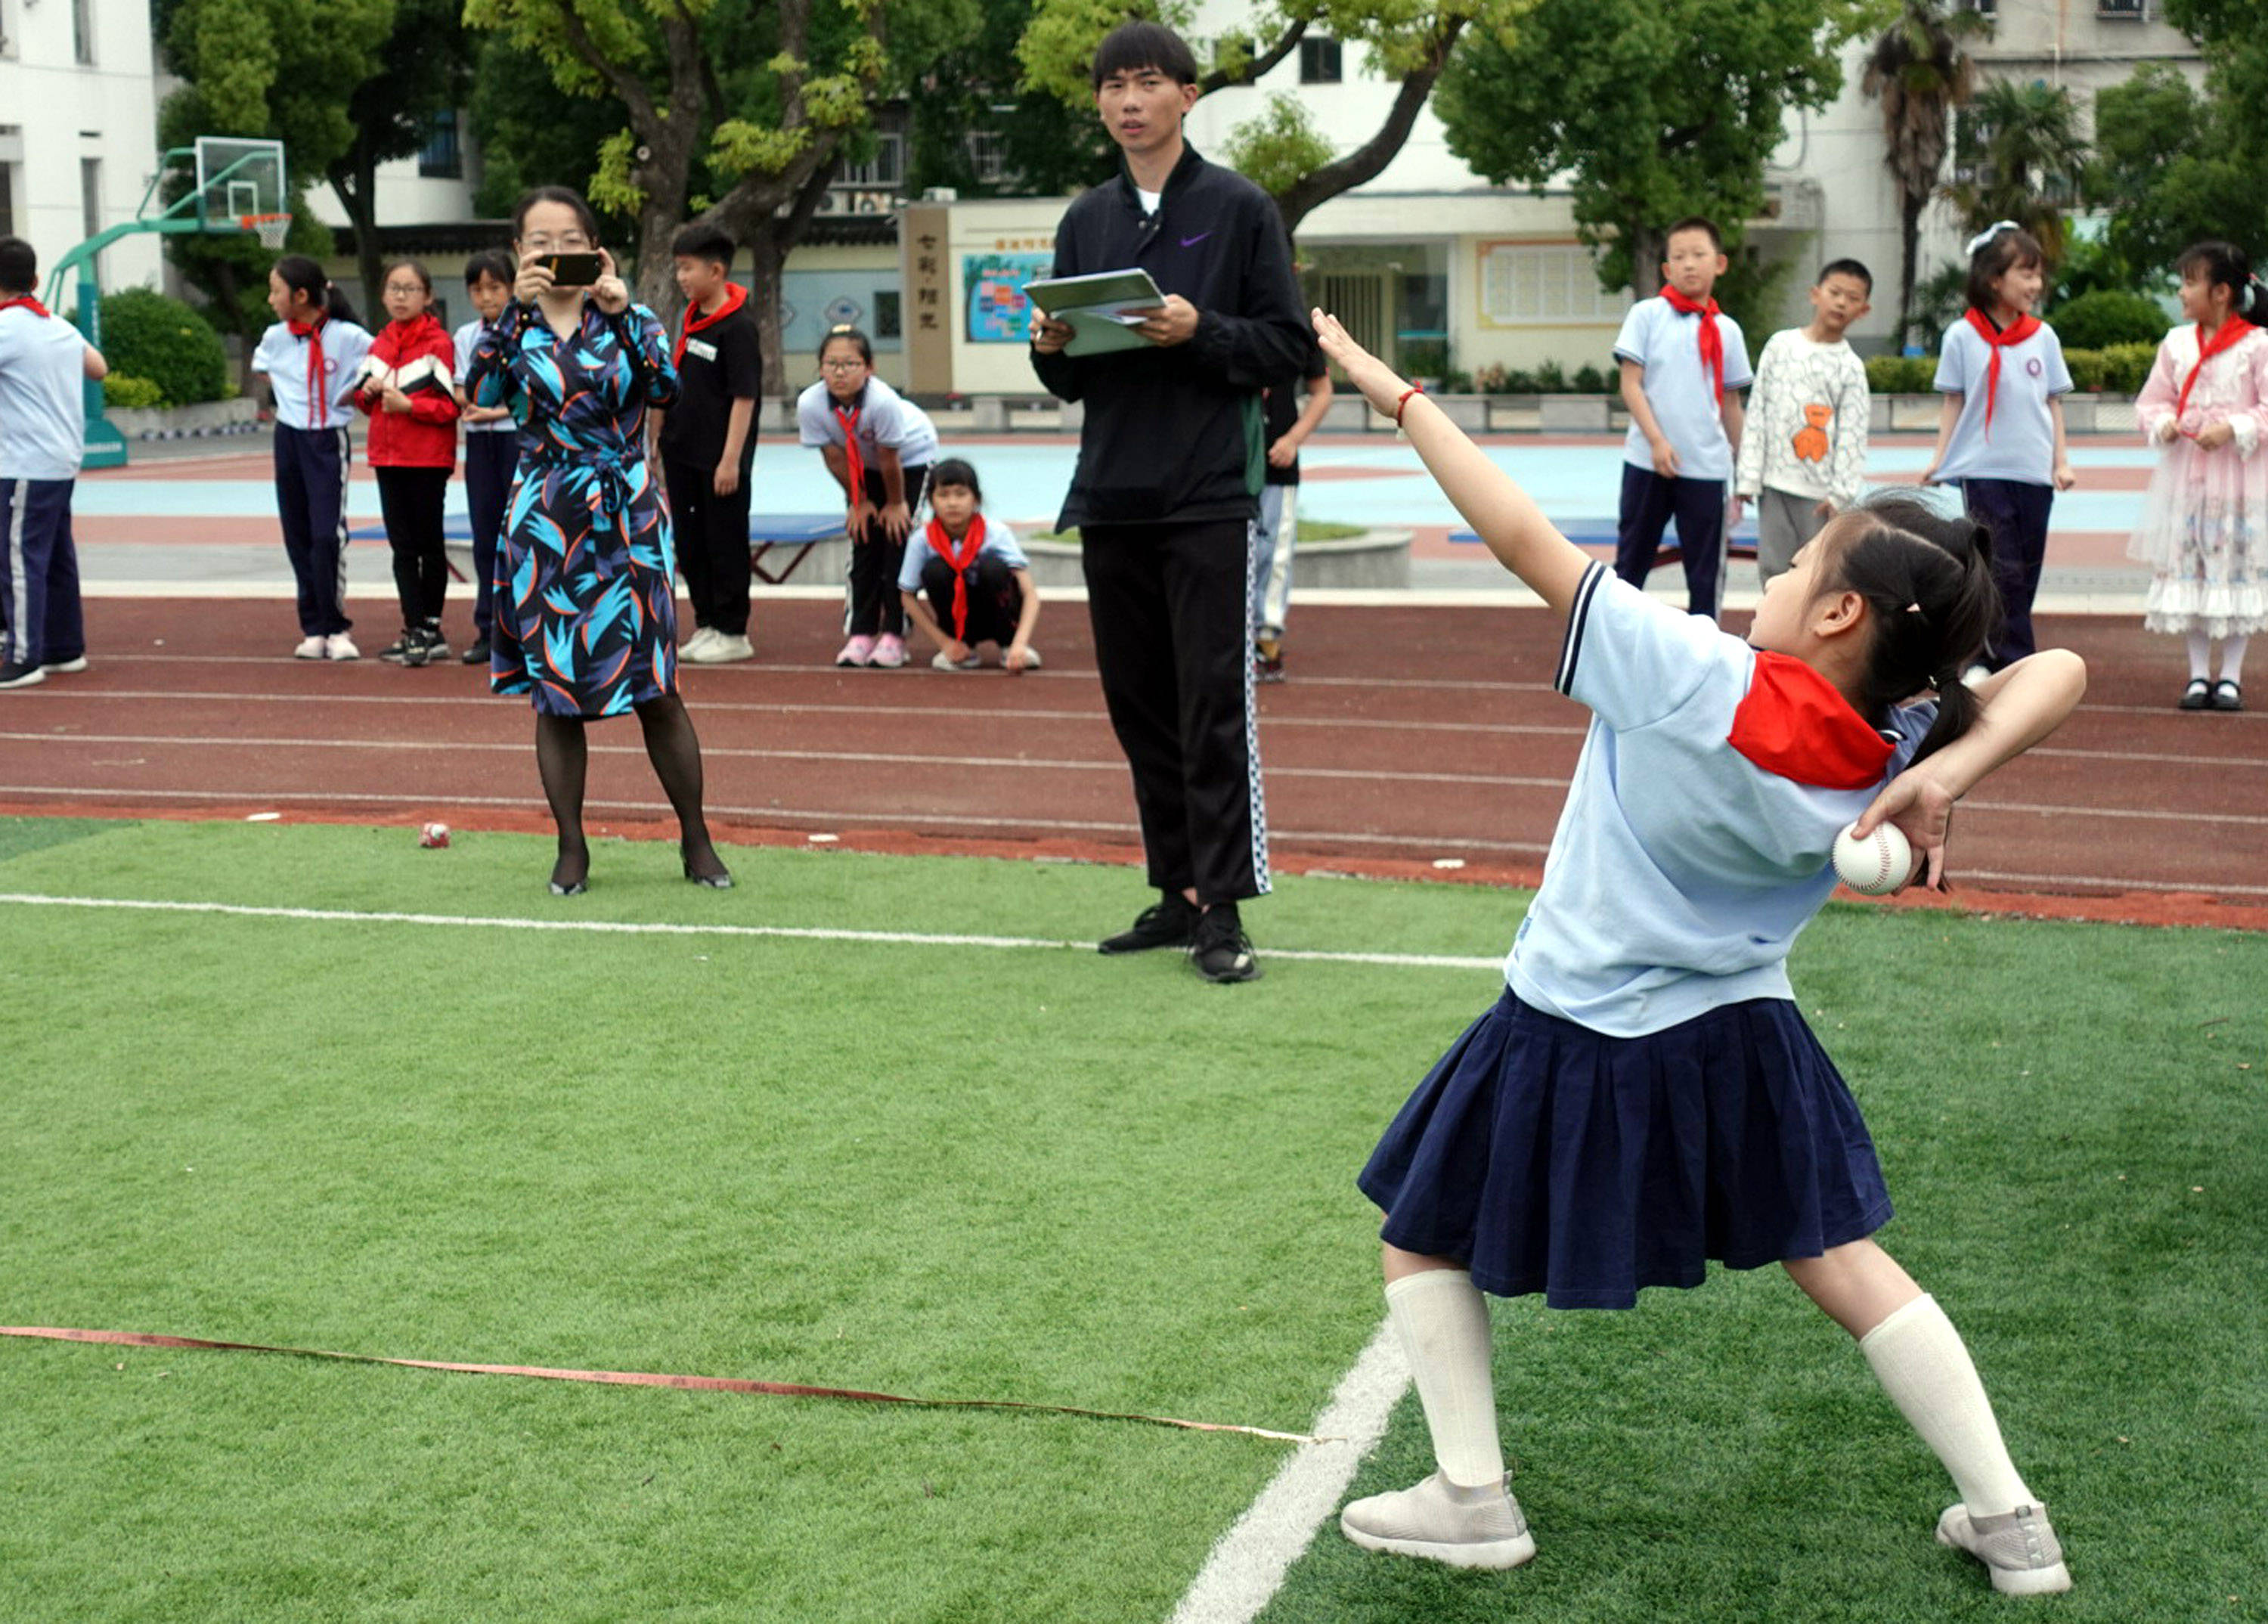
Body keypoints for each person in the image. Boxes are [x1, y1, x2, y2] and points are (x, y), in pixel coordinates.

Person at [1313, 305, 2086, 1595]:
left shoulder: (1684, 669)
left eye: (1794, 566)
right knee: (1841, 1260)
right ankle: (2010, 1515)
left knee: (1420, 1233)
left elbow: (1516, 533)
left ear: (1838, 607)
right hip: (1740, 1034)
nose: (1766, 573)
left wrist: (1399, 397)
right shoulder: (1892, 737)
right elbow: (2054, 669)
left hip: (1568, 1018)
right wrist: (1941, 774)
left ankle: (1472, 1493)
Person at [1029, 20, 1310, 984]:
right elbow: (1067, 381)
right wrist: (1050, 350)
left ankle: (1225, 908)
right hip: (1111, 494)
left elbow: (1285, 349)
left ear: (1188, 95)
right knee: (1138, 705)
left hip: (1207, 496)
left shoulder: (1238, 209)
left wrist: (1200, 330)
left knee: (1211, 708)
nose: (1128, 101)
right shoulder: (1087, 220)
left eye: (1147, 82)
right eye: (1112, 86)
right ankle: (1176, 891)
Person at [465, 184, 730, 895]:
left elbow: (668, 390)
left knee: (658, 688)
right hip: (546, 521)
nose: (556, 253)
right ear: (520, 252)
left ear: (594, 248)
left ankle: (697, 842)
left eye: (570, 241)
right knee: (557, 693)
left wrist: (619, 315)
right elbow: (480, 393)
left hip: (627, 519)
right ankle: (571, 848)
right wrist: (511, 309)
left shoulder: (629, 316)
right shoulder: (507, 328)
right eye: (541, 242)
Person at [1923, 222, 2077, 674]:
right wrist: (1940, 459)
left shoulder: (2043, 337)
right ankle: (2012, 662)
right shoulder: (1961, 336)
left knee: (2026, 569)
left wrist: (2061, 462)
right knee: (1999, 566)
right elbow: (1954, 401)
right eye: (2025, 274)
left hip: (2033, 471)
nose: (2036, 285)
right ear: (1994, 279)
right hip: (1981, 468)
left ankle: (1991, 656)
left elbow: (2053, 403)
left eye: (2038, 275)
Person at [2127, 240, 2266, 712]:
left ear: (2222, 292)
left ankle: (2229, 676)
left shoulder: (2257, 345)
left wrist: (2235, 427)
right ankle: (2195, 675)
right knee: (2191, 565)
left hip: (2238, 479)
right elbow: (2152, 401)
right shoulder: (2176, 343)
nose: (2183, 292)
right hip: (2188, 476)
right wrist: (2164, 423)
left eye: (2191, 282)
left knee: (2234, 565)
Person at [1615, 217, 1753, 619]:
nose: (1689, 264)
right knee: (1630, 565)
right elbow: (1631, 385)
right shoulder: (1646, 316)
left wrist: (1743, 468)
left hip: (1706, 468)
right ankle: (1617, 644)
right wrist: (1657, 441)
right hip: (1647, 461)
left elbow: (1731, 405)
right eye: (1679, 257)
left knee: (1705, 576)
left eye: (1699, 255)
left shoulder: (1728, 331)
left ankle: (1703, 655)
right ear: (1667, 269)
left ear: (1720, 264)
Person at [252, 256, 373, 660]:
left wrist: (356, 393)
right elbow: (265, 371)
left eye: (276, 290)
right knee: (297, 533)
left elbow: (377, 367)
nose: (271, 299)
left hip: (326, 440)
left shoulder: (349, 337)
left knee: (326, 534)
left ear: (301, 295)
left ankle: (336, 625)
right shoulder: (275, 338)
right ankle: (313, 626)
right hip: (288, 438)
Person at [796, 326, 937, 668]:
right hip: (860, 465)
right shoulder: (811, 403)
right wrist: (858, 502)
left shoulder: (882, 402)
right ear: (820, 368)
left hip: (910, 461)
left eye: (850, 364)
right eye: (831, 364)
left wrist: (893, 504)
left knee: (896, 539)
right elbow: (833, 458)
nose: (840, 372)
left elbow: (890, 458)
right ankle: (860, 633)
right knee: (862, 540)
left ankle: (894, 635)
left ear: (869, 368)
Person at [0, 235, 106, 690]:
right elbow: (97, 367)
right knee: (57, 552)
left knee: (19, 558)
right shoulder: (57, 325)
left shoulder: (7, 328)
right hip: (60, 460)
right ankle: (64, 647)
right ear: (36, 280)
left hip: (24, 461)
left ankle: (25, 655)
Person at [1735, 259, 1873, 586]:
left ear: (1863, 310)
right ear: (1815, 294)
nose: (1841, 302)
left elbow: (1853, 434)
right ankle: (1770, 635)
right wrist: (1749, 476)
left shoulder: (1851, 368)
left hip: (1819, 496)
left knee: (1817, 575)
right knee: (1773, 569)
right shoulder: (1780, 346)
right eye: (1835, 292)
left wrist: (1842, 494)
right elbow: (1758, 412)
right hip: (1774, 484)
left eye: (1852, 298)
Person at [658, 222, 761, 665]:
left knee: (724, 541)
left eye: (687, 268)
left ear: (716, 270)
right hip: (682, 452)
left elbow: (744, 397)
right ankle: (708, 623)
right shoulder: (691, 320)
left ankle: (734, 630)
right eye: (677, 268)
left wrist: (730, 461)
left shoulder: (737, 328)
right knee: (691, 542)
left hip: (719, 459)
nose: (680, 277)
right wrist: (658, 443)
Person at [357, 258, 462, 667]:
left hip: (427, 459)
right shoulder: (379, 344)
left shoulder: (439, 345)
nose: (401, 296)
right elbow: (367, 405)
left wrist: (410, 405)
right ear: (383, 295)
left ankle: (430, 627)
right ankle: (414, 627)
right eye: (394, 289)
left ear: (428, 296)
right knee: (402, 547)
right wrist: (368, 392)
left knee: (428, 544)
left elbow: (451, 407)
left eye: (410, 289)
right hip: (387, 458)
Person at [897, 457, 1041, 672]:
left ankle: (1008, 645)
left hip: (998, 614)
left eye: (961, 494)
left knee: (992, 568)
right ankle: (962, 647)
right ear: (931, 501)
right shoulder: (922, 540)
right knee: (935, 570)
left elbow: (1030, 593)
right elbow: (906, 595)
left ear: (976, 499)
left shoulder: (996, 534)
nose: (952, 503)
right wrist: (944, 642)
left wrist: (1020, 643)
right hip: (958, 622)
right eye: (943, 495)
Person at [454, 249, 520, 667]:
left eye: (495, 288)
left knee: (519, 537)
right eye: (477, 289)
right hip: (480, 444)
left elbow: (530, 393)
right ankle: (488, 629)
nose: (486, 297)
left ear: (512, 289)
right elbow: (464, 388)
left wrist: (494, 408)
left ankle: (525, 630)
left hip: (517, 439)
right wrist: (478, 406)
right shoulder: (465, 336)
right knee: (485, 538)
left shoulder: (528, 330)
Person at [1252, 342, 1333, 682]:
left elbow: (1322, 391)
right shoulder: (1219, 314)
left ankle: (1266, 643)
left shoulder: (1295, 329)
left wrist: (1293, 439)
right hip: (1221, 464)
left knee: (1274, 554)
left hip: (1277, 464)